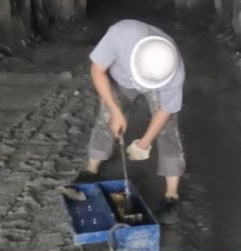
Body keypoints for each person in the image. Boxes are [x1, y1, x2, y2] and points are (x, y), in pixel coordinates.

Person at [76, 20, 186, 225]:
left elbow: (166, 109)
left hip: (159, 83)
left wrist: (144, 143)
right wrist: (115, 110)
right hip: (122, 79)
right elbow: (97, 70)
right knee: (107, 118)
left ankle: (171, 196)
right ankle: (90, 171)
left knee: (168, 130)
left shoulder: (174, 70)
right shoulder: (121, 34)